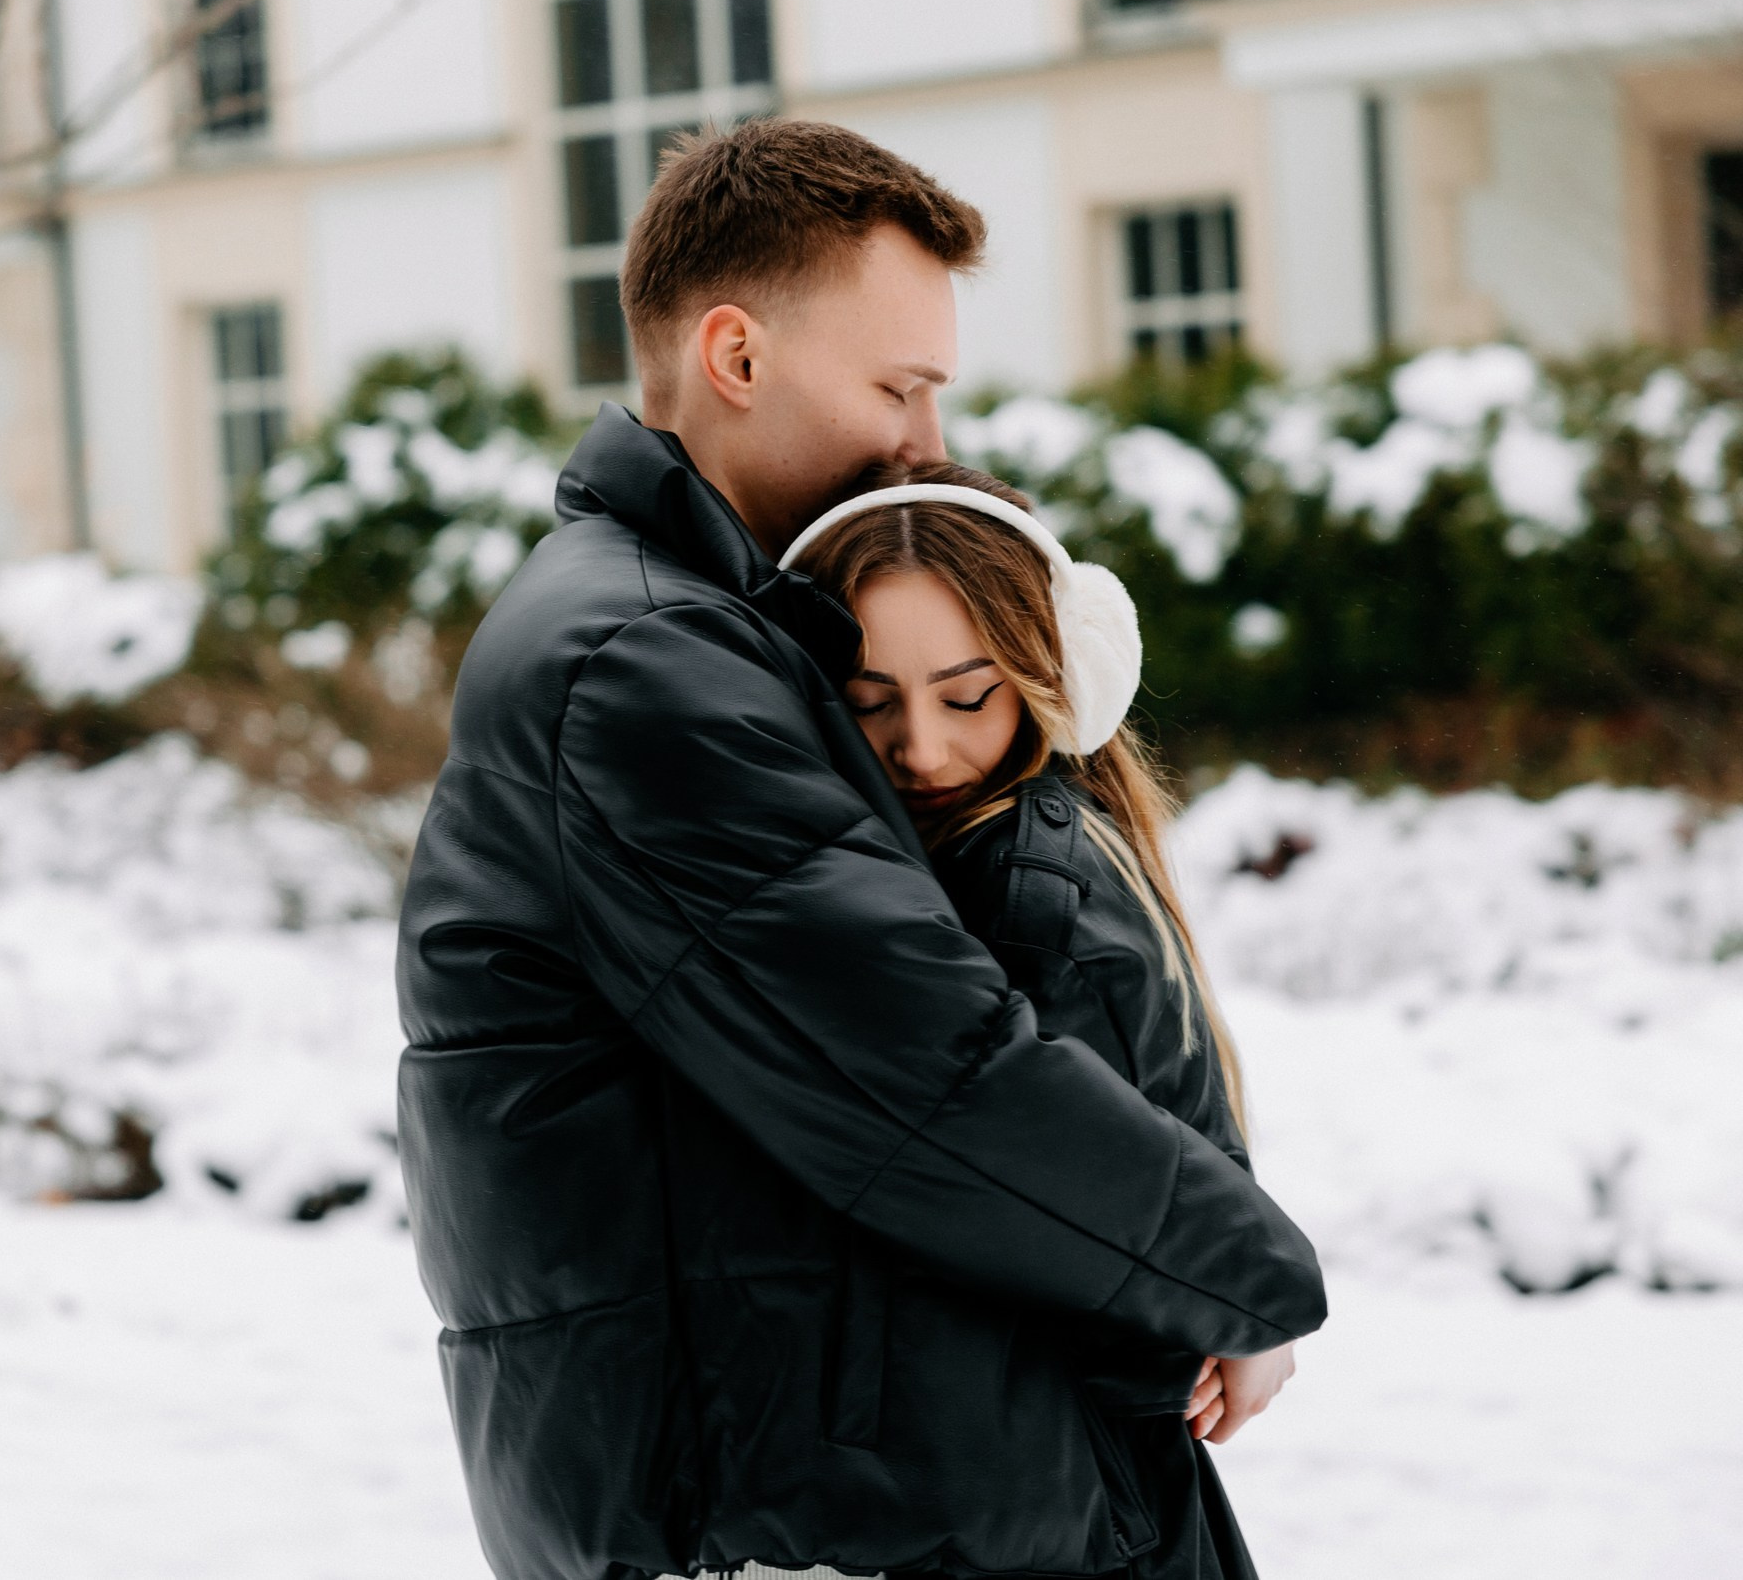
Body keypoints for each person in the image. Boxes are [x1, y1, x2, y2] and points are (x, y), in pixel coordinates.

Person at [394, 117, 1326, 1580]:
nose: (925, 444)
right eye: (901, 385)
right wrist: (1248, 1275)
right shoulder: (646, 657)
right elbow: (922, 1074)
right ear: (737, 355)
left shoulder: (684, 621)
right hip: (738, 1515)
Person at [781, 459, 1294, 1577]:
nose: (921, 747)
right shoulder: (1040, 847)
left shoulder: (1019, 900)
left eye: (967, 696)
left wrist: (1235, 1298)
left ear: (1054, 671)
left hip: (1057, 1508)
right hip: (1079, 1496)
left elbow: (1088, 1228)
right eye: (869, 702)